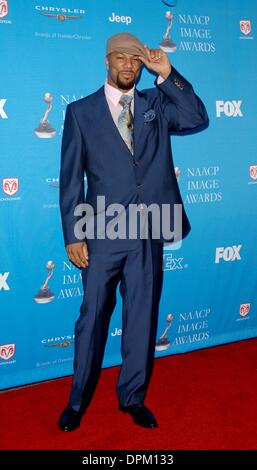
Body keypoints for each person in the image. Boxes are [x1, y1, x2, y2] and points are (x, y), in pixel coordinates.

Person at [58, 32, 208, 432]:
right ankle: (77, 402)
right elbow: (71, 180)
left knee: (141, 319)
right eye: (121, 58)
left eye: (135, 60)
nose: (128, 65)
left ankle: (132, 397)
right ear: (107, 61)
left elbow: (196, 116)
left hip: (148, 231)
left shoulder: (155, 104)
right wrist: (74, 235)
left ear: (142, 66)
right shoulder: (80, 113)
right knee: (91, 320)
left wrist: (168, 73)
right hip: (101, 233)